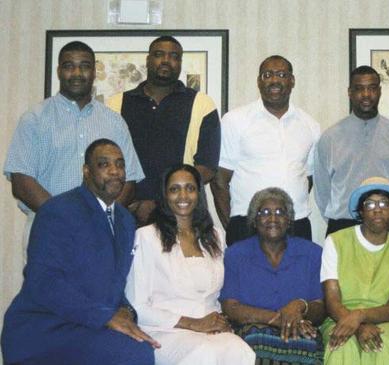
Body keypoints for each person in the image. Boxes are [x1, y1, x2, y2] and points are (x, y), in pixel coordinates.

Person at [1, 139, 158, 365]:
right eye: (104, 165)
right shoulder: (57, 211)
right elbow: (43, 283)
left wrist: (125, 311)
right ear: (86, 171)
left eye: (120, 164)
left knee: (140, 345)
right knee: (133, 353)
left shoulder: (125, 220)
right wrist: (105, 316)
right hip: (47, 328)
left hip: (89, 325)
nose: (115, 171)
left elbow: (114, 284)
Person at [3, 41, 143, 260]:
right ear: (59, 71)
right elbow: (22, 183)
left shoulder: (114, 122)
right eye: (69, 66)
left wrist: (100, 219)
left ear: (94, 72)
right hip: (49, 230)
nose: (77, 73)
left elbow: (130, 181)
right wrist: (67, 219)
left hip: (103, 233)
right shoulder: (35, 119)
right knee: (48, 295)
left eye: (84, 66)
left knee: (100, 294)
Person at [125, 164, 255, 364]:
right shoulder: (146, 237)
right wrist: (193, 324)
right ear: (165, 195)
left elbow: (221, 296)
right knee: (205, 354)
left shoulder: (215, 237)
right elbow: (137, 306)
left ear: (199, 194)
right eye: (175, 189)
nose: (183, 195)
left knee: (241, 351)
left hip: (210, 329)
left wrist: (221, 321)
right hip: (166, 331)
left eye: (190, 188)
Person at [107, 35, 220, 226]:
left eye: (174, 56)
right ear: (148, 60)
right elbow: (106, 164)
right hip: (127, 212)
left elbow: (207, 168)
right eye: (159, 54)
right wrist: (132, 203)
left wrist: (162, 202)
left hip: (182, 213)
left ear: (180, 63)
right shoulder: (115, 105)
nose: (166, 60)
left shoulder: (202, 104)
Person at [213, 55, 320, 245]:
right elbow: (220, 180)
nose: (274, 80)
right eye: (267, 75)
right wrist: (232, 227)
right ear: (258, 81)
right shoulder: (235, 120)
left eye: (281, 74)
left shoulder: (310, 125)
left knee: (298, 276)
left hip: (297, 224)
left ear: (292, 81)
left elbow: (307, 177)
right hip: (247, 225)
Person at [220, 187, 325, 364]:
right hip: (253, 333)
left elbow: (321, 309)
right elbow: (230, 308)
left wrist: (300, 306)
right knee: (255, 342)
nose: (273, 218)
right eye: (265, 212)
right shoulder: (236, 254)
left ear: (289, 220)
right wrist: (278, 319)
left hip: (301, 332)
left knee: (308, 344)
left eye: (280, 212)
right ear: (254, 220)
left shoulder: (312, 253)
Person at [320, 176, 389, 364]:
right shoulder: (336, 242)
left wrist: (361, 316)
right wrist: (357, 325)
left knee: (379, 345)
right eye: (370, 204)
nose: (378, 209)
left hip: (388, 324)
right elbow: (332, 301)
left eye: (384, 203)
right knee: (341, 345)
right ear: (361, 211)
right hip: (339, 318)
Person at [314, 66, 389, 240]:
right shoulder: (330, 138)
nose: (366, 94)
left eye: (372, 88)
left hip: (388, 226)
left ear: (380, 91)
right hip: (343, 226)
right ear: (349, 92)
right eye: (359, 88)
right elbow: (322, 190)